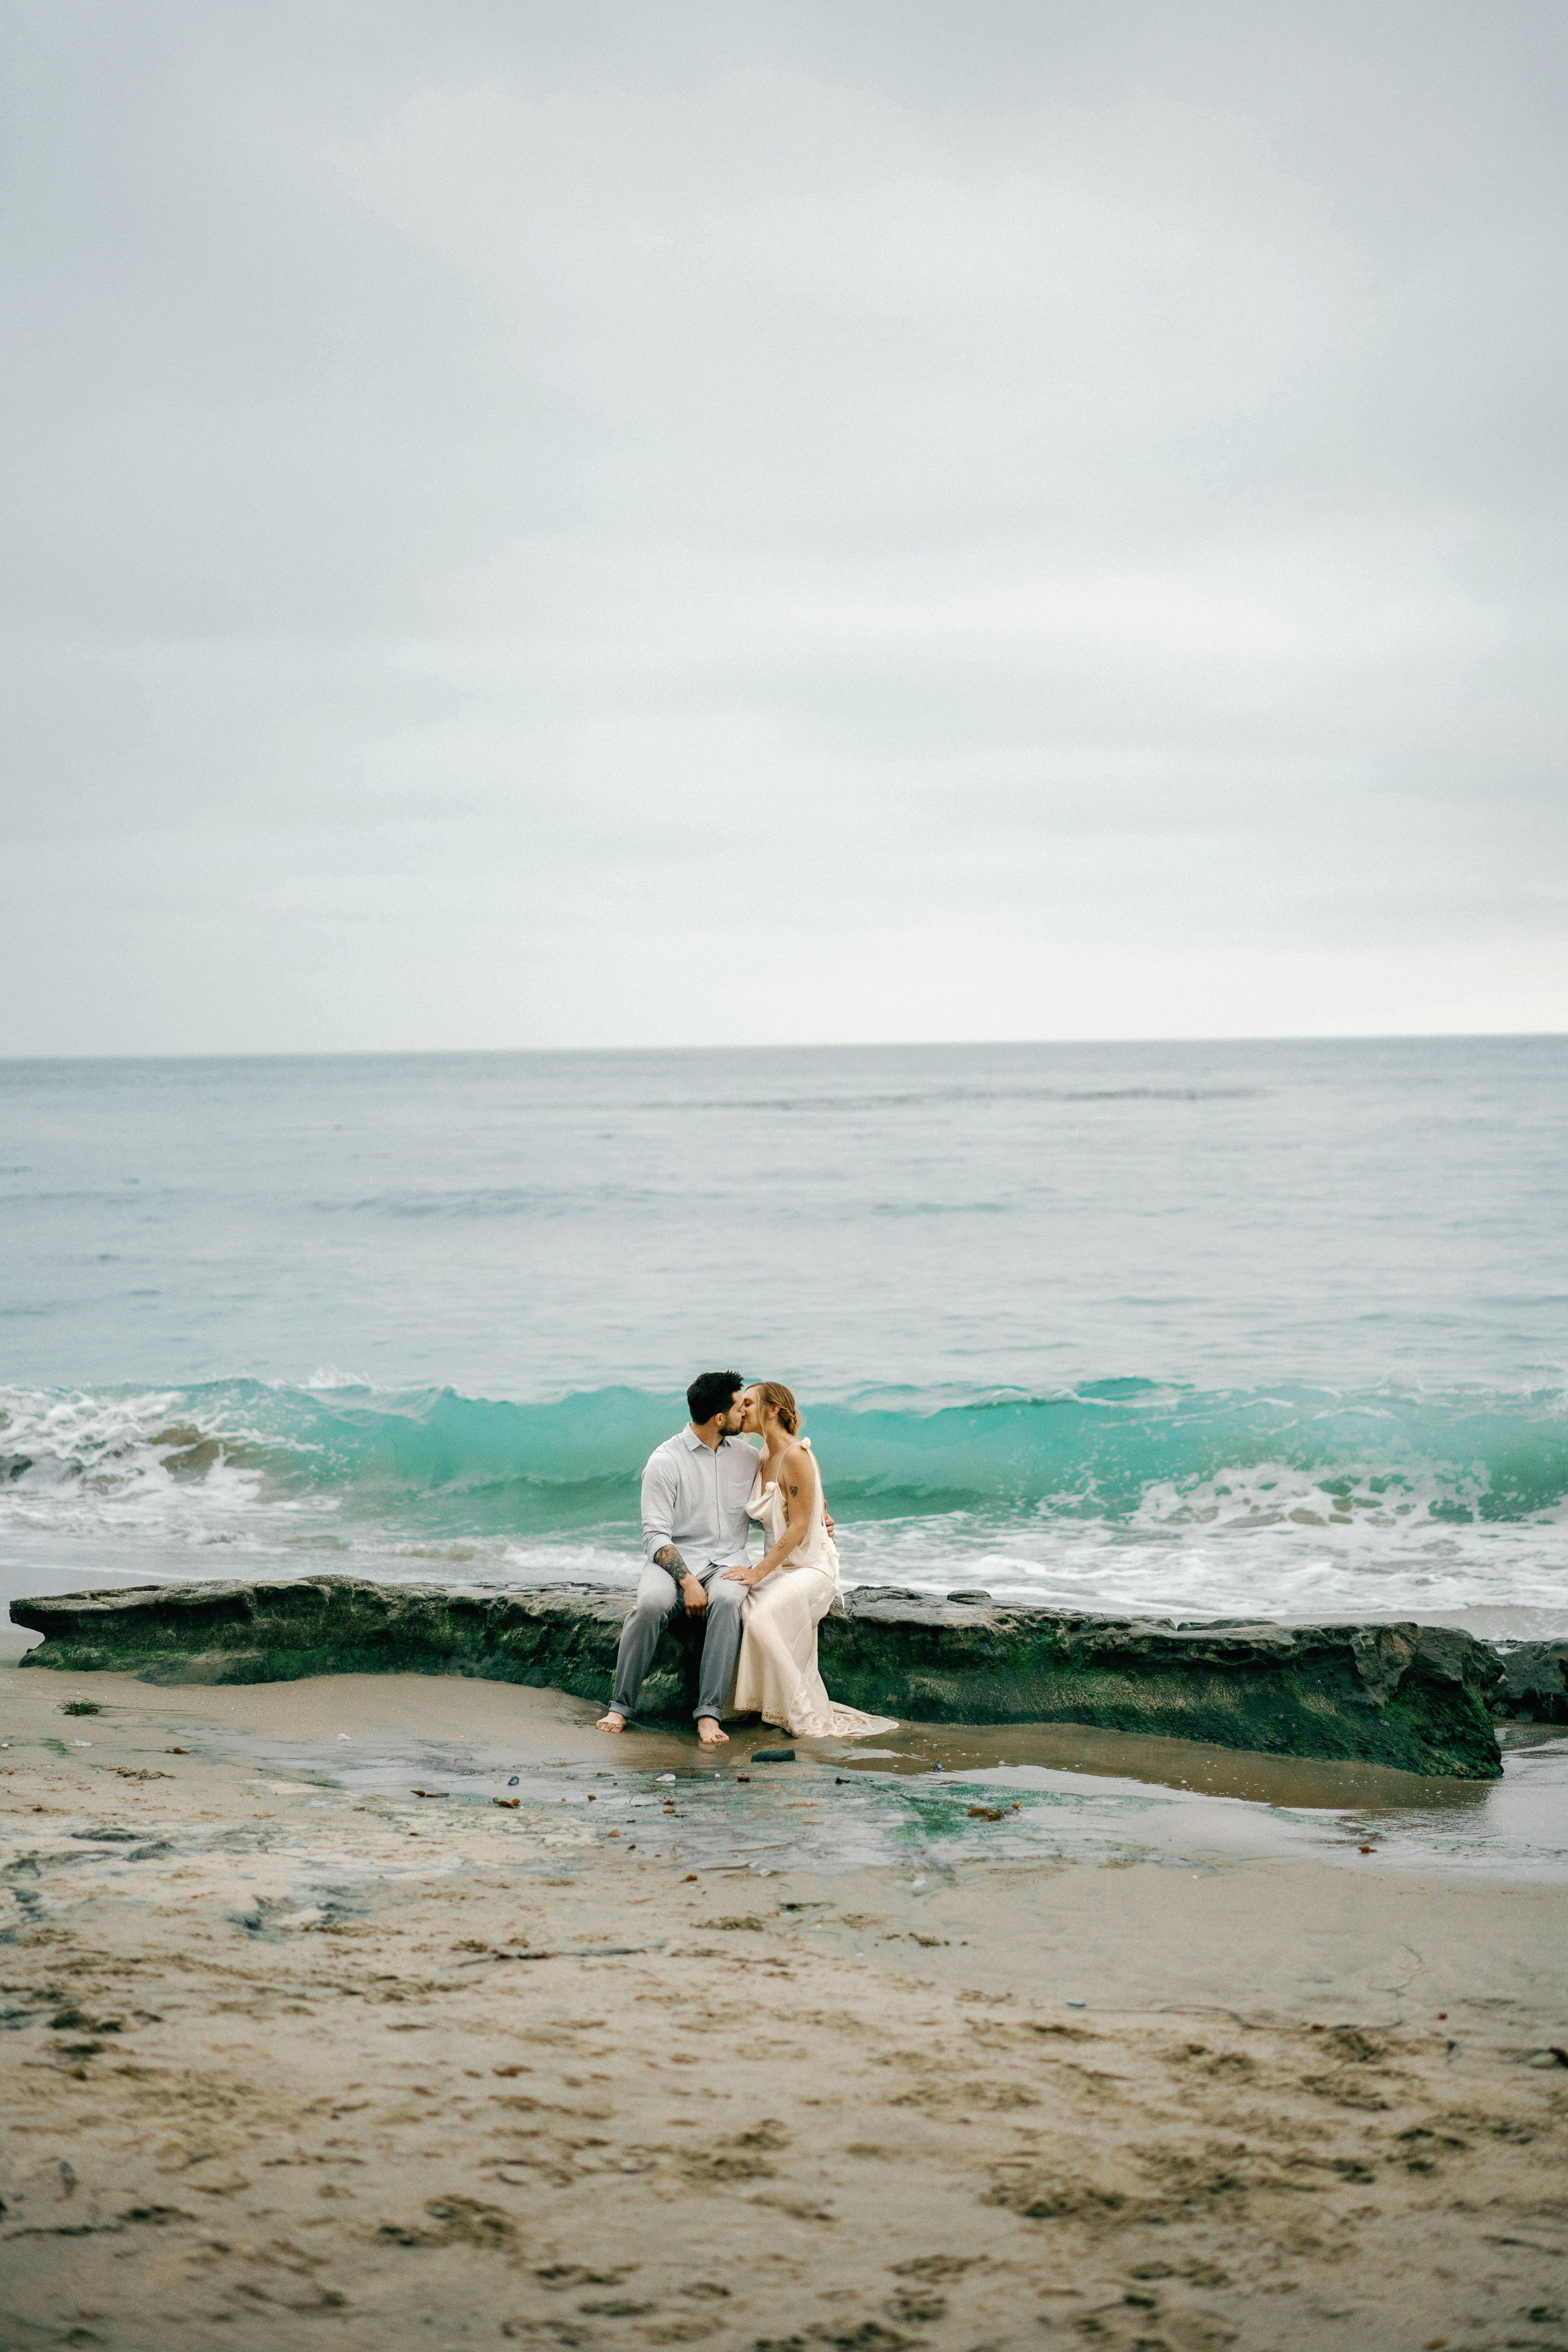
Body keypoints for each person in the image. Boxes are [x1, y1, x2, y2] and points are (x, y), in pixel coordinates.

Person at [725, 1380, 897, 1740]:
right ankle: (760, 1706)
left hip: (812, 1567)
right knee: (738, 1606)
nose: (743, 1411)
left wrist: (757, 1572)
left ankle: (802, 1713)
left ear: (772, 1410)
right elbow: (811, 1506)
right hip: (782, 1564)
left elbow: (801, 1525)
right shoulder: (761, 1456)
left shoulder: (795, 1455)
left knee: (760, 1616)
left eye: (750, 1404)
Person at [597, 1371, 757, 1749]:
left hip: (727, 1561)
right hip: (673, 1563)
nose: (744, 1416)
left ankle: (708, 1713)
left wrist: (819, 1518)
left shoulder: (750, 1459)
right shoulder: (665, 1460)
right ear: (720, 1418)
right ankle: (620, 1707)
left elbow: (773, 1509)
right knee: (651, 1604)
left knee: (729, 1600)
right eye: (739, 1407)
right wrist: (687, 1581)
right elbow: (654, 1535)